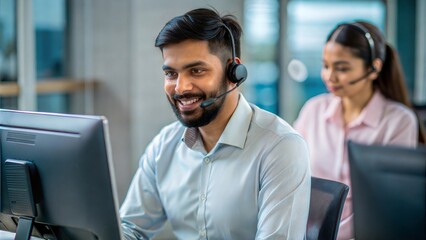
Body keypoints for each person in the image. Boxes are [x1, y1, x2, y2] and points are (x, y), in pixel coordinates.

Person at [120, 8, 311, 240]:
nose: (181, 88)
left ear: (234, 71)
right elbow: (131, 228)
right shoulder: (164, 145)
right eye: (171, 74)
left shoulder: (280, 147)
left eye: (196, 71)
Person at [293, 21, 426, 240]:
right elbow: (292, 174)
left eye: (342, 68)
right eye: (326, 65)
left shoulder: (398, 121)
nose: (329, 76)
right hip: (308, 233)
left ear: (374, 68)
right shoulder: (313, 110)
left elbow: (387, 201)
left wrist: (331, 234)